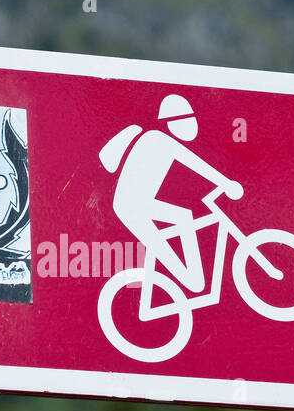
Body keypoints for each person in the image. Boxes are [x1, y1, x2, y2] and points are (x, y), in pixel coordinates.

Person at [99, 94, 242, 293]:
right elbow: (196, 164)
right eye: (187, 119)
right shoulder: (158, 139)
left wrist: (225, 183)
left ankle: (191, 278)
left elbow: (193, 165)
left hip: (139, 203)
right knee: (178, 223)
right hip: (131, 207)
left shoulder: (159, 139)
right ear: (173, 122)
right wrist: (226, 183)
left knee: (183, 216)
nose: (193, 125)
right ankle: (190, 280)